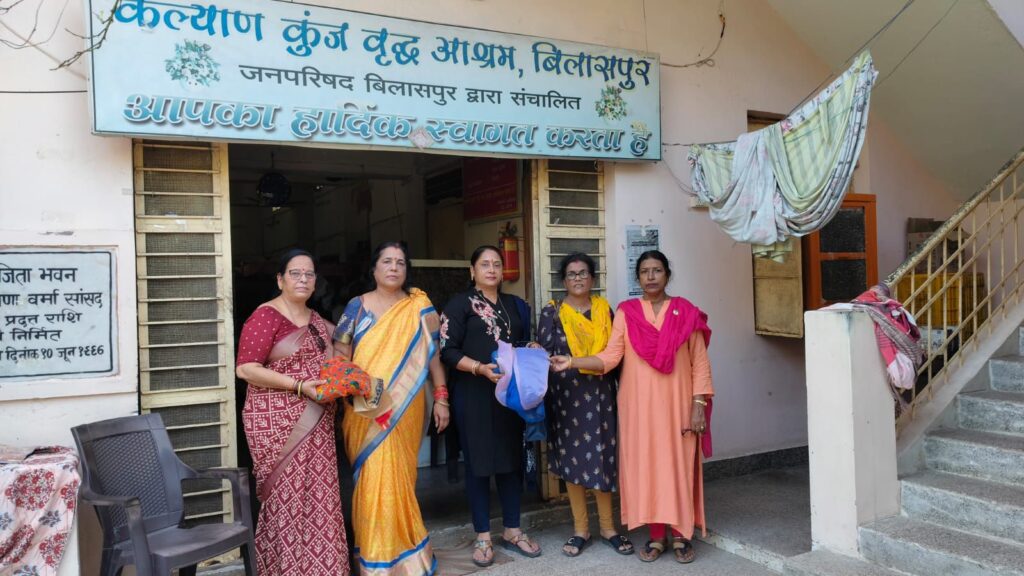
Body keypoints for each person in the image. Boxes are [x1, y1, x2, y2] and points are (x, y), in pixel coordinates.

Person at [551, 250, 713, 564]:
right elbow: (611, 357)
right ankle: (656, 536)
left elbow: (700, 362)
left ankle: (681, 534)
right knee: (648, 467)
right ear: (637, 277)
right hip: (638, 407)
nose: (651, 276)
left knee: (677, 467)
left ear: (667, 274)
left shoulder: (685, 311)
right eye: (644, 271)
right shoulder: (627, 312)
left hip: (678, 404)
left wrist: (698, 404)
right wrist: (571, 361)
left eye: (657, 270)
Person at [333, 241, 451, 575]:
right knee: (373, 480)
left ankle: (406, 556)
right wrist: (357, 387)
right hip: (365, 408)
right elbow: (340, 353)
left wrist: (441, 397)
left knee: (399, 478)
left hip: (406, 405)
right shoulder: (356, 306)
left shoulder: (419, 306)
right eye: (387, 261)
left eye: (400, 262)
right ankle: (376, 561)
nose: (394, 267)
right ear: (374, 268)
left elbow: (434, 357)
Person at [236, 249, 349, 575]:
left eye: (309, 274)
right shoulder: (265, 317)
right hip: (277, 425)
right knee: (286, 499)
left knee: (319, 498)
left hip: (318, 421)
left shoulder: (318, 322)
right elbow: (246, 369)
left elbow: (339, 359)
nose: (303, 279)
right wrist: (299, 386)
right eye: (295, 273)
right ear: (280, 279)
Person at [439, 245, 543, 567]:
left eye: (496, 264)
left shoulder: (514, 305)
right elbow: (447, 351)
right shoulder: (459, 305)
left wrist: (530, 346)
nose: (492, 269)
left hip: (509, 396)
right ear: (472, 271)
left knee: (511, 462)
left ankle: (512, 530)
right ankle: (483, 536)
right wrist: (479, 368)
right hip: (474, 395)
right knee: (479, 465)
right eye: (484, 264)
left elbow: (518, 343)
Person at [537, 253, 634, 557]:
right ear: (563, 280)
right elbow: (543, 356)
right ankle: (581, 530)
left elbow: (618, 355)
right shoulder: (553, 312)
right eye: (571, 274)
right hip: (566, 397)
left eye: (583, 273)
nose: (577, 278)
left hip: (602, 395)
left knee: (603, 459)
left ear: (592, 278)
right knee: (572, 461)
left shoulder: (606, 311)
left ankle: (608, 528)